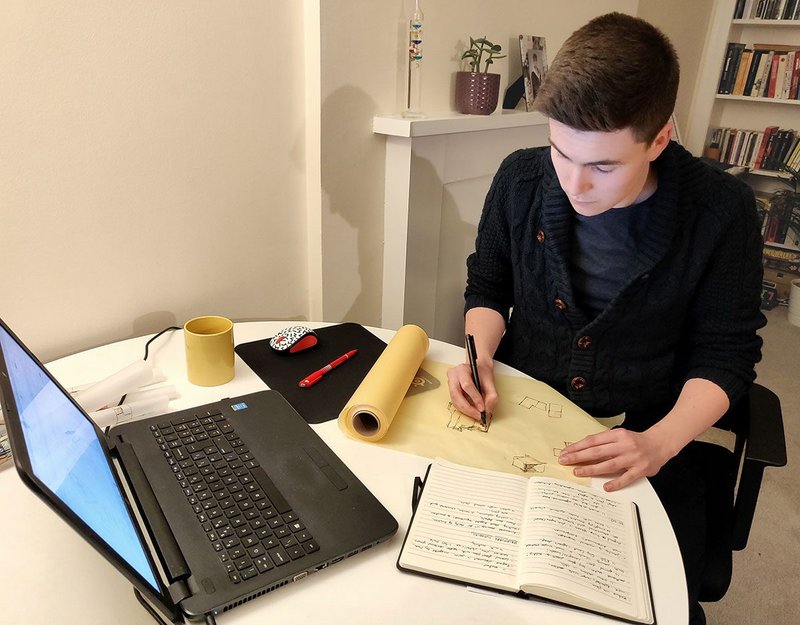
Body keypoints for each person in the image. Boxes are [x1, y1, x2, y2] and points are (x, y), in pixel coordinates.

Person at [446, 12, 765, 625]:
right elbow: (488, 287)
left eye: (603, 166)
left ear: (659, 139)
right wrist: (478, 354)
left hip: (644, 440)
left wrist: (658, 443)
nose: (573, 184)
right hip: (519, 417)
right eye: (561, 153)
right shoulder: (520, 178)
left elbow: (726, 354)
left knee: (643, 604)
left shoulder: (720, 211)